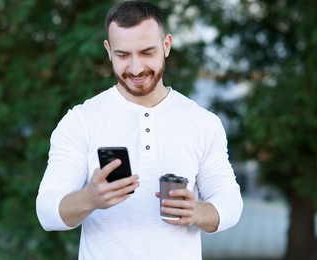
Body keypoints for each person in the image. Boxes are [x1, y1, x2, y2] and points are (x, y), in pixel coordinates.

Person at [36, 1, 243, 259]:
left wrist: (197, 212)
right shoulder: (81, 121)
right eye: (123, 55)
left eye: (147, 52)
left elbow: (231, 202)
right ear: (108, 51)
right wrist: (90, 198)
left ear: (166, 45)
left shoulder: (202, 122)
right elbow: (46, 212)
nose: (136, 68)